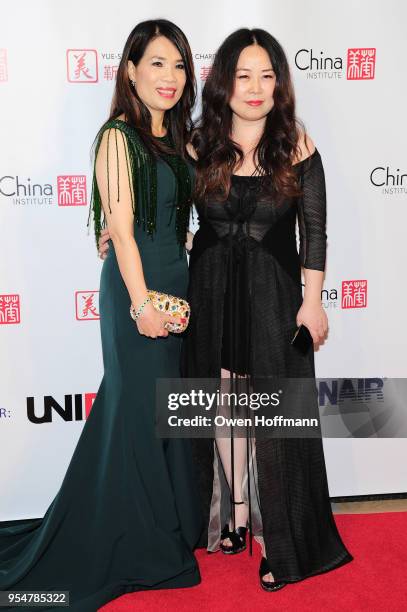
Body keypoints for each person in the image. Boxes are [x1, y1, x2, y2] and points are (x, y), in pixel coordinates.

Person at [98, 26, 354, 593]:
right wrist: (109, 231)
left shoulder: (297, 145)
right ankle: (232, 519)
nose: (256, 87)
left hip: (274, 298)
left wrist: (313, 302)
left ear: (279, 84)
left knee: (272, 415)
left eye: (267, 75)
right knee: (217, 409)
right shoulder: (197, 144)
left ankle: (281, 542)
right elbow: (156, 205)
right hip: (209, 293)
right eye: (244, 75)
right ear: (224, 83)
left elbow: (316, 231)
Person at [0, 19, 202, 611]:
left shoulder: (176, 138)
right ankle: (137, 545)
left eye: (179, 65)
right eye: (157, 63)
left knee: (160, 414)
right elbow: (119, 226)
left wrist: (187, 250)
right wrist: (140, 302)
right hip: (137, 295)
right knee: (139, 415)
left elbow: (175, 217)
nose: (169, 77)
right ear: (131, 70)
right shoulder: (117, 136)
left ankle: (163, 531)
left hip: (176, 286)